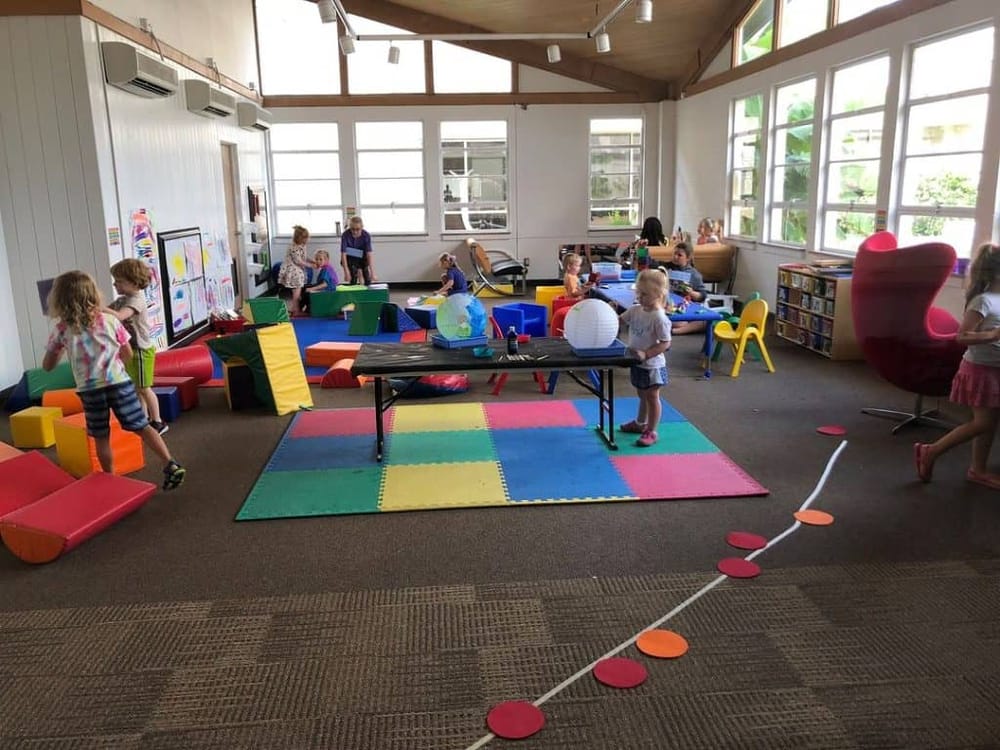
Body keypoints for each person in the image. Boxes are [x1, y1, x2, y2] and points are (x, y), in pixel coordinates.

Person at [42, 270, 185, 490]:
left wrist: (60, 353)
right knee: (142, 425)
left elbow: (47, 366)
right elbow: (127, 352)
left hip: (91, 390)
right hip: (119, 382)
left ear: (59, 299)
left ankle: (111, 478)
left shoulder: (62, 329)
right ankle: (170, 463)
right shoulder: (109, 320)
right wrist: (114, 364)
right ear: (93, 294)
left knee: (101, 436)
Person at [914, 242, 1000, 490]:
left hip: (995, 369)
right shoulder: (982, 302)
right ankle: (931, 451)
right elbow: (962, 337)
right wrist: (992, 335)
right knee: (983, 422)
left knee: (990, 422)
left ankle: (978, 470)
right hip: (980, 371)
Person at [105, 258, 167, 435]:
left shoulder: (136, 300)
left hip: (141, 350)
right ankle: (144, 418)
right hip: (131, 349)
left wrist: (100, 307)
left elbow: (119, 316)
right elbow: (110, 311)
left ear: (133, 282)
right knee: (137, 387)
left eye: (119, 281)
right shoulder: (123, 298)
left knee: (144, 388)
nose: (115, 284)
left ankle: (158, 422)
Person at [619, 269, 672, 447]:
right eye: (638, 293)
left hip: (653, 366)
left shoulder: (659, 318)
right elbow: (619, 320)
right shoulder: (635, 310)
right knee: (641, 394)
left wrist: (647, 354)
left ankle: (652, 430)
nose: (639, 297)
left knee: (652, 396)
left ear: (658, 294)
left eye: (644, 294)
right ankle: (640, 423)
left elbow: (666, 343)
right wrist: (609, 313)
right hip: (637, 363)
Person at [660, 242, 708, 335]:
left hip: (684, 308)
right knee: (680, 322)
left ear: (688, 258)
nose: (675, 257)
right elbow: (649, 263)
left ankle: (674, 331)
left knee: (705, 321)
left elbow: (702, 296)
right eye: (674, 254)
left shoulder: (694, 274)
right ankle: (679, 328)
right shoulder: (665, 267)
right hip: (667, 306)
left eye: (679, 255)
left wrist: (691, 292)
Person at [562, 252, 627, 313]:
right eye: (577, 266)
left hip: (578, 300)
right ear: (569, 267)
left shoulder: (572, 275)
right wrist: (588, 288)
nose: (580, 268)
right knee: (597, 294)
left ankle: (609, 304)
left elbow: (577, 287)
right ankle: (610, 306)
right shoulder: (571, 278)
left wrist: (586, 284)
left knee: (596, 293)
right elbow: (574, 293)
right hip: (576, 303)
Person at [277, 225, 311, 314]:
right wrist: (310, 266)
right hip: (293, 270)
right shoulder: (294, 247)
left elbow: (304, 257)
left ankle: (294, 308)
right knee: (297, 291)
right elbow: (298, 261)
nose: (307, 240)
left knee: (297, 291)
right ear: (300, 238)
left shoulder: (302, 246)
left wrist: (313, 261)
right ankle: (296, 310)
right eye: (305, 238)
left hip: (298, 269)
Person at [340, 215, 377, 286]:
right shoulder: (345, 235)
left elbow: (369, 254)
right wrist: (346, 272)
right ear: (350, 227)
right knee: (353, 276)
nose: (355, 232)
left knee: (367, 276)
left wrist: (372, 273)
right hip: (350, 256)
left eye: (358, 229)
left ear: (362, 228)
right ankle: (353, 291)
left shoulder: (366, 235)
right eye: (352, 229)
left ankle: (366, 291)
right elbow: (343, 254)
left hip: (362, 256)